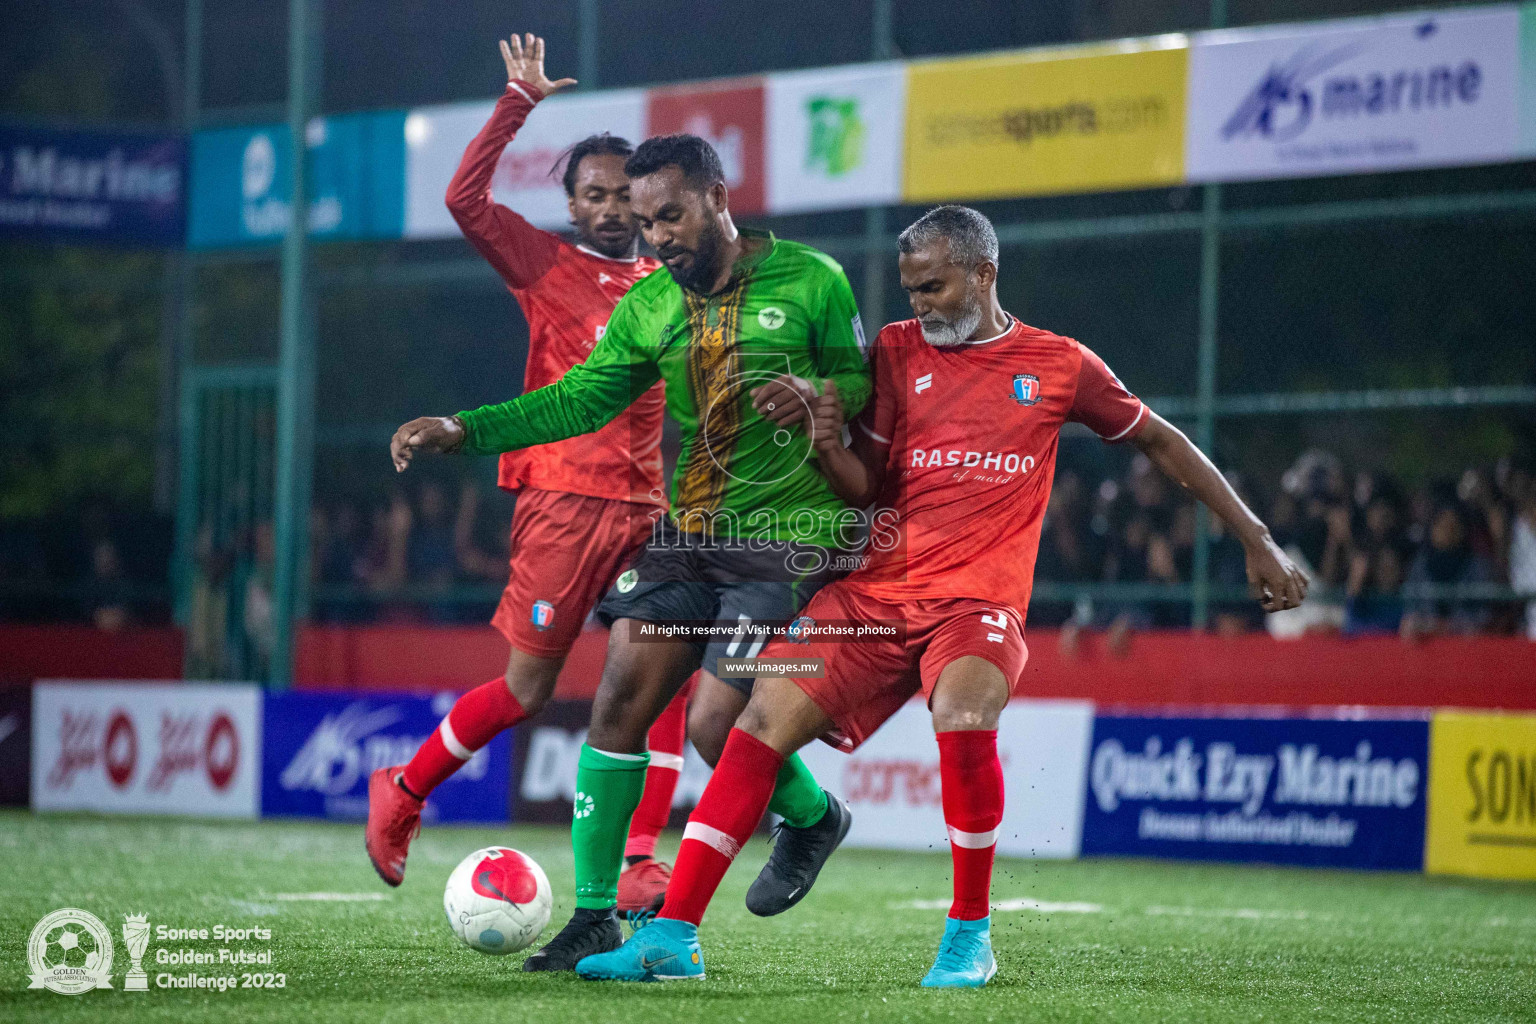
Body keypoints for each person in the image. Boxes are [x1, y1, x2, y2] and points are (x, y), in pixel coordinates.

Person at [575, 205, 1308, 987]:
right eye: (910, 289)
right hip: (872, 600)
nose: (918, 303)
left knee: (961, 714)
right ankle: (673, 937)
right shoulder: (892, 352)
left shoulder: (1058, 365)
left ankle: (968, 937)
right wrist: (820, 427)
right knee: (749, 726)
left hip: (975, 606)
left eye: (933, 285)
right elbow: (864, 489)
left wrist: (1255, 538)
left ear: (984, 272)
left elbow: (1161, 439)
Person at [389, 132, 874, 970]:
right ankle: (593, 914)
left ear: (719, 196)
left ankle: (812, 818)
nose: (658, 237)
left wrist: (821, 394)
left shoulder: (812, 279)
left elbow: (867, 383)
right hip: (692, 534)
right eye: (647, 224)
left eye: (673, 216)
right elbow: (577, 400)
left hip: (790, 534)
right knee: (618, 703)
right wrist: (467, 429)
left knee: (717, 727)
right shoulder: (648, 306)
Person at [366, 34, 690, 921]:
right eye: (596, 195)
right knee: (525, 691)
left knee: (669, 669)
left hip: (647, 511)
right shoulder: (547, 265)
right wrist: (518, 104)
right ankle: (403, 785)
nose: (615, 208)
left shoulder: (675, 287)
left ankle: (638, 860)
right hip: (559, 503)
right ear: (574, 206)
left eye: (628, 194)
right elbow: (462, 200)